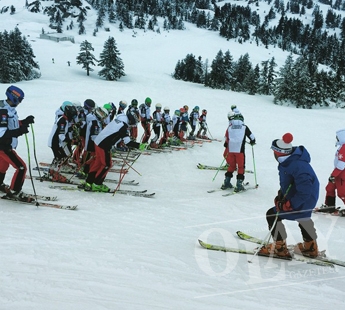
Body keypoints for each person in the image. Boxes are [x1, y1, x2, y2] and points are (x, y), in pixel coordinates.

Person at [259, 133, 320, 258]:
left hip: (304, 199)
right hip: (306, 198)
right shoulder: (289, 160)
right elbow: (291, 182)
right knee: (303, 217)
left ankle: (279, 248)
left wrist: (290, 204)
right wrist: (282, 194)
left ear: (278, 152)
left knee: (272, 215)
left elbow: (304, 190)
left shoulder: (297, 165)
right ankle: (310, 247)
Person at [83, 114, 145, 192]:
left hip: (98, 142)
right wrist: (139, 145)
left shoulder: (119, 119)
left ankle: (89, 181)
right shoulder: (123, 126)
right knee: (107, 164)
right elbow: (127, 142)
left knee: (98, 163)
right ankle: (97, 184)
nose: (132, 126)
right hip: (104, 145)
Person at [0, 85, 34, 200]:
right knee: (21, 167)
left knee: (2, 166)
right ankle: (15, 191)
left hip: (3, 146)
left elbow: (11, 124)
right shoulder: (2, 111)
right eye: (19, 100)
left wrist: (23, 122)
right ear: (13, 97)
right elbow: (2, 133)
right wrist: (20, 131)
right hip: (4, 146)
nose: (20, 103)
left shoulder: (8, 108)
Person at [221, 111, 255, 192]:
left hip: (231, 149)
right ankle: (239, 185)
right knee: (241, 167)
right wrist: (252, 142)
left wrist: (227, 144)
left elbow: (226, 138)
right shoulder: (244, 127)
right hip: (240, 150)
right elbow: (252, 137)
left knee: (232, 166)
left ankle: (226, 182)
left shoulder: (230, 127)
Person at [320, 129, 345, 213]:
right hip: (337, 173)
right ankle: (329, 206)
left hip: (341, 174)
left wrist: (333, 175)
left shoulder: (344, 148)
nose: (337, 139)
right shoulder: (342, 146)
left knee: (342, 193)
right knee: (329, 187)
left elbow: (341, 165)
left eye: (338, 138)